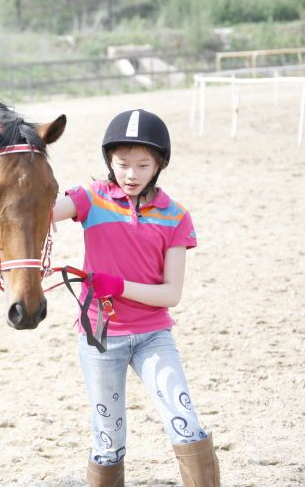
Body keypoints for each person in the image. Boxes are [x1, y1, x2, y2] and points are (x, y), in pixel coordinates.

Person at [52, 109, 220, 487]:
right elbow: (42, 213)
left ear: (160, 165)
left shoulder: (176, 216)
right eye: (122, 163)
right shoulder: (90, 198)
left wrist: (118, 286)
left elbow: (171, 294)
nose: (131, 174)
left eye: (143, 165)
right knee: (108, 441)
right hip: (99, 337)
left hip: (153, 336)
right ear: (109, 161)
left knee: (186, 423)